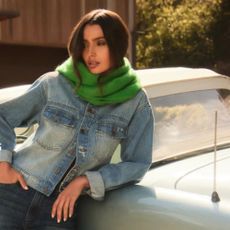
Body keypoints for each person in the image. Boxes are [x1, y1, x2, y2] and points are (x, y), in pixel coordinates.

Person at [0, 9, 153, 229]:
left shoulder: (135, 102)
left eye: (100, 43)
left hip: (60, 210)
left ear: (117, 45)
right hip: (11, 194)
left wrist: (86, 181)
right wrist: (3, 163)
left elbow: (137, 163)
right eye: (85, 43)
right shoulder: (54, 84)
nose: (91, 52)